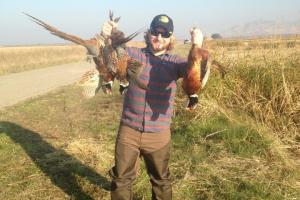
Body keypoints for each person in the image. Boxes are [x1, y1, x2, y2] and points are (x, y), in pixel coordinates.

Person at [101, 14, 205, 200]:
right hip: (129, 131)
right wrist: (108, 35)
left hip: (158, 135)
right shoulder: (134, 55)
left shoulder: (175, 63)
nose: (159, 37)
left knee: (161, 181)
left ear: (171, 38)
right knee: (121, 179)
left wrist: (197, 45)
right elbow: (115, 54)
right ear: (149, 34)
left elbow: (193, 69)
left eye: (164, 34)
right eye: (155, 32)